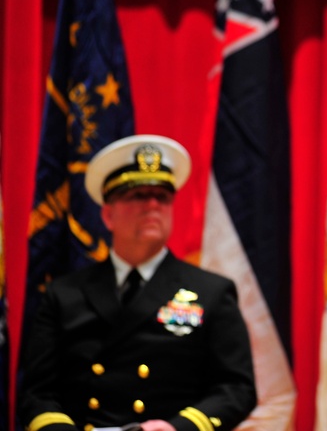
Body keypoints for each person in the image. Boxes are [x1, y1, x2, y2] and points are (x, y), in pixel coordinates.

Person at [19, 135, 257, 431]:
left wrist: (179, 428)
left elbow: (236, 387)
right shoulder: (64, 293)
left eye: (163, 196)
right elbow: (37, 392)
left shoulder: (211, 292)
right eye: (138, 195)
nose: (153, 205)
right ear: (108, 215)